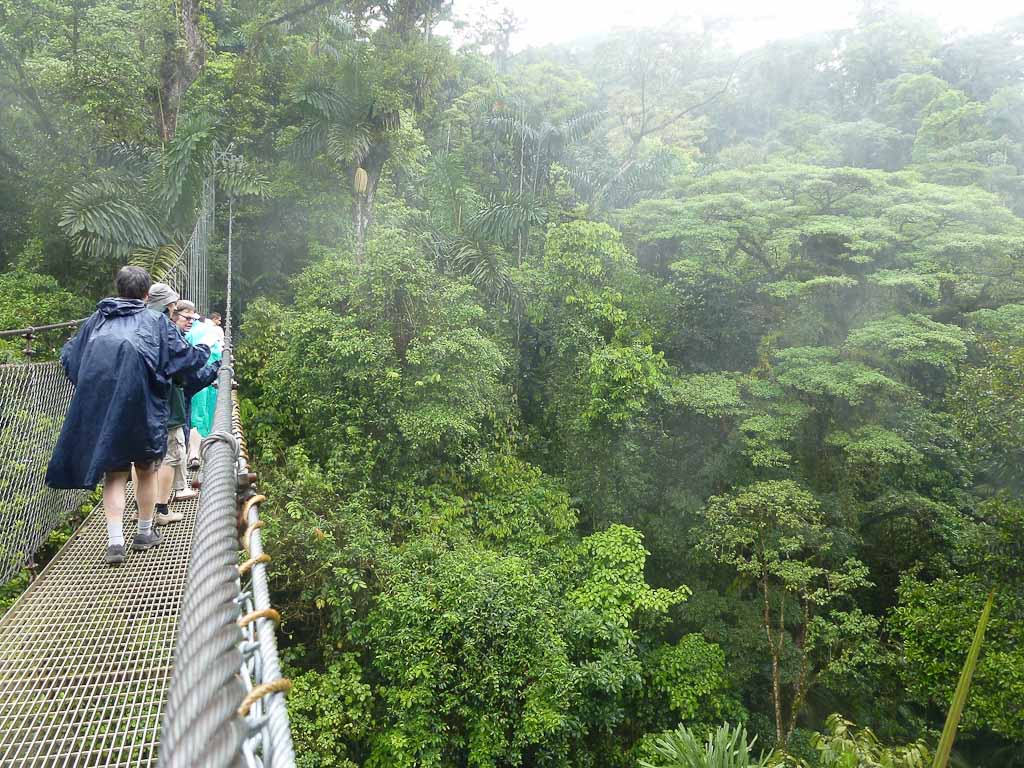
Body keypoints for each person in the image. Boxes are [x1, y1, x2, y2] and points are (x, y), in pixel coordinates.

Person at [46, 267, 214, 565]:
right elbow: (184, 363)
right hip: (143, 409)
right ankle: (144, 532)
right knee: (146, 467)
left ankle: (115, 543)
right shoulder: (156, 322)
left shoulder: (96, 320)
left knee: (114, 474)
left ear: (118, 289)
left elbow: (70, 358)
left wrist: (93, 386)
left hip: (105, 409)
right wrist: (206, 347)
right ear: (147, 295)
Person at [146, 289, 218, 526]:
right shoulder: (168, 334)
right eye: (184, 316)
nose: (190, 322)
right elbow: (187, 375)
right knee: (171, 456)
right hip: (168, 408)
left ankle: (143, 512)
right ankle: (162, 509)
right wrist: (215, 364)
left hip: (145, 407)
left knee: (143, 461)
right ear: (170, 311)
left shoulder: (139, 327)